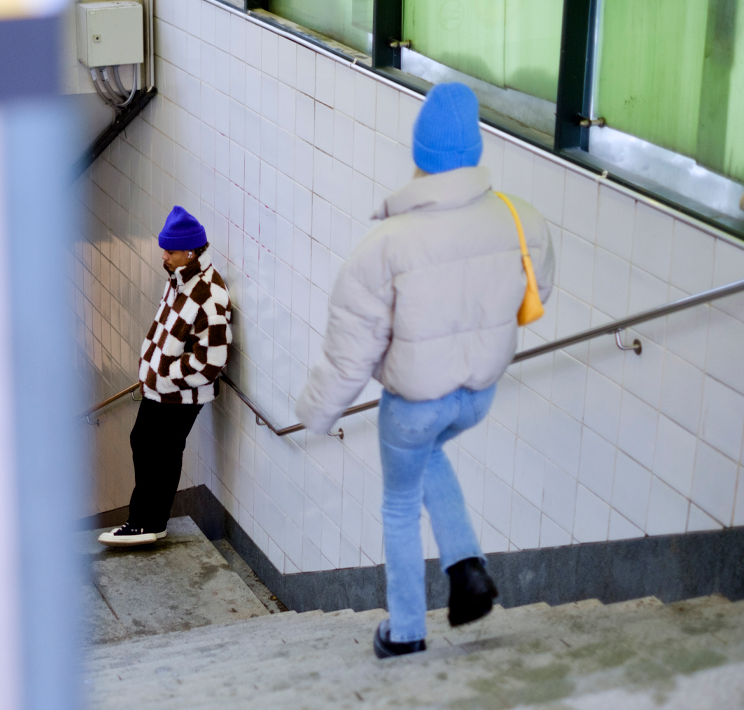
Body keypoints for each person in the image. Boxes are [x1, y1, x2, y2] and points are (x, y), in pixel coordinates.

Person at [295, 83, 555, 658]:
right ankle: (467, 570)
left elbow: (350, 354)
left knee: (399, 500)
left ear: (419, 156)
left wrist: (317, 411)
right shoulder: (520, 219)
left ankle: (407, 631)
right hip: (477, 394)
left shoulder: (385, 246)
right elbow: (537, 289)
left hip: (414, 404)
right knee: (432, 452)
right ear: (475, 151)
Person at [99, 206, 232, 547]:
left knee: (161, 452)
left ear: (190, 252)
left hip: (179, 394)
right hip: (161, 389)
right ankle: (148, 521)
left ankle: (146, 523)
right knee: (143, 442)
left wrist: (164, 374)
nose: (164, 256)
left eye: (170, 251)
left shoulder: (209, 296)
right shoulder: (179, 280)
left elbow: (212, 362)